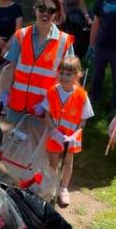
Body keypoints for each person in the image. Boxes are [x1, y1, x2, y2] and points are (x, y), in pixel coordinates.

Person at [1, 0, 75, 123]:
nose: (45, 13)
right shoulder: (21, 35)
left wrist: (48, 104)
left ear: (56, 14)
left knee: (38, 143)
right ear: (35, 9)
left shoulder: (64, 42)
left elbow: (67, 80)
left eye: (51, 10)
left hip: (44, 111)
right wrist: (4, 93)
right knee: (16, 142)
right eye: (41, 8)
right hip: (18, 107)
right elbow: (10, 69)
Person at [43, 56, 94, 206]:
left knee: (67, 162)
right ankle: (51, 187)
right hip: (55, 135)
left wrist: (76, 134)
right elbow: (46, 114)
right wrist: (54, 131)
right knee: (53, 163)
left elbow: (83, 120)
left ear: (77, 75)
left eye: (69, 74)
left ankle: (63, 188)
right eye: (62, 73)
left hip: (71, 137)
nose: (64, 77)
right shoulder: (52, 92)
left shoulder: (82, 95)